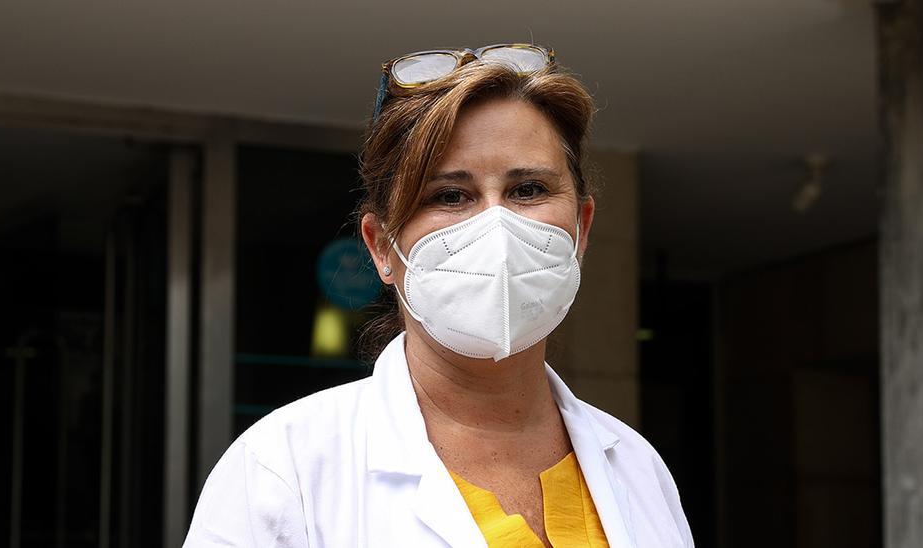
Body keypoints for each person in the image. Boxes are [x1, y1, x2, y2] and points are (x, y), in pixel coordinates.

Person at [184, 43, 692, 548]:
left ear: (580, 229)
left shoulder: (637, 467)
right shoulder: (281, 472)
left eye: (530, 189)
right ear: (382, 246)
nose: (497, 226)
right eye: (450, 195)